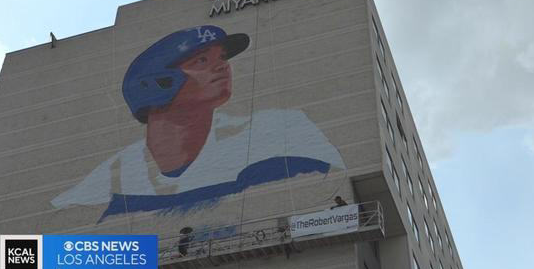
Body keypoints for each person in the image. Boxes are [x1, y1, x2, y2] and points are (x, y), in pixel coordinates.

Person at [51, 25, 347, 222]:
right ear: (155, 84)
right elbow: (46, 236)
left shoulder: (282, 128)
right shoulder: (114, 175)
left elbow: (324, 191)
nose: (223, 65)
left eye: (222, 57)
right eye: (202, 61)